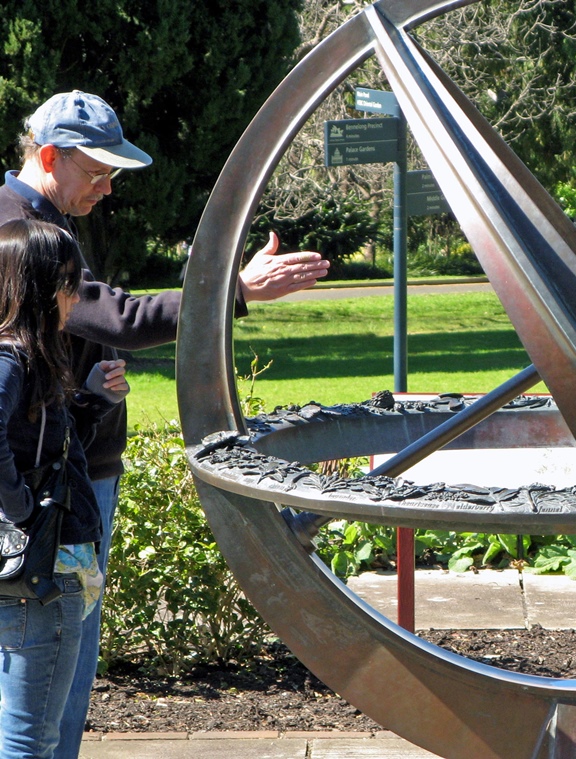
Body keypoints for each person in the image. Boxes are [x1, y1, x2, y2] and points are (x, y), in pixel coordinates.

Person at [0, 90, 330, 758]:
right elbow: (114, 316)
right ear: (49, 155)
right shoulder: (23, 228)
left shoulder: (41, 215)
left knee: (47, 685)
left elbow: (55, 352)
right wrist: (230, 289)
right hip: (57, 493)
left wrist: (88, 391)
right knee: (47, 695)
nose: (109, 186)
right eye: (96, 170)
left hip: (68, 473)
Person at [0, 218, 130, 759]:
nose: (77, 296)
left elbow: (43, 442)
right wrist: (24, 509)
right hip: (42, 574)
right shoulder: (13, 357)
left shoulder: (30, 357)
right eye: (69, 281)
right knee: (32, 737)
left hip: (40, 572)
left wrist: (90, 399)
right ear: (36, 287)